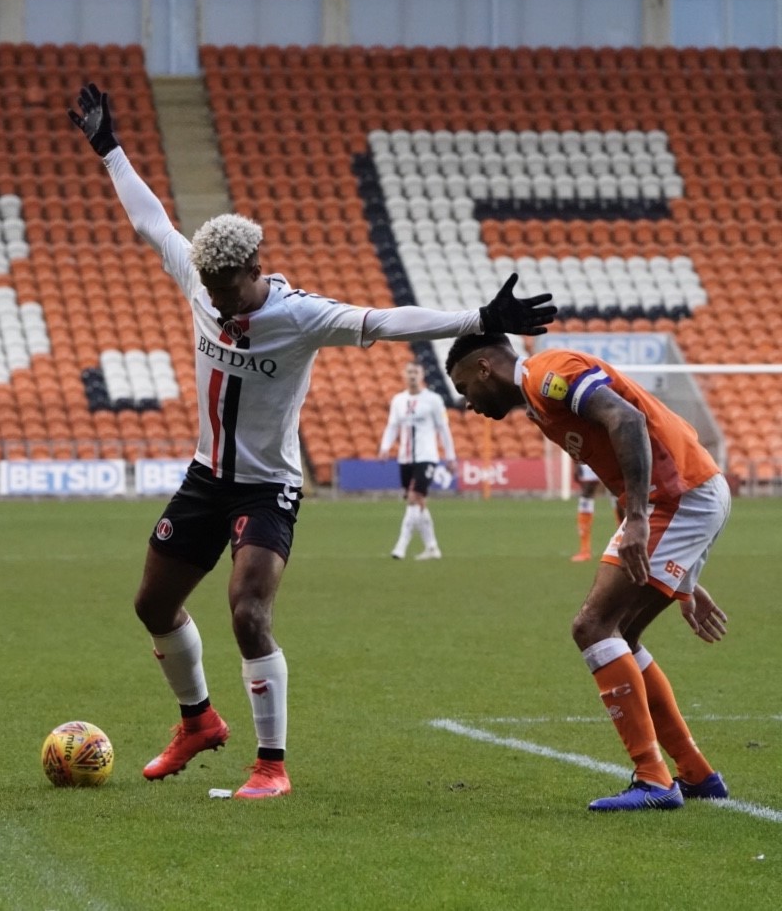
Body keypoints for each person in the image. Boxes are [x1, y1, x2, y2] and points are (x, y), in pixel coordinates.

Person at [68, 84, 556, 799]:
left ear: (253, 268)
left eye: (226, 289)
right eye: (207, 288)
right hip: (206, 476)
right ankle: (198, 720)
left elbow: (384, 321)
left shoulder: (302, 315)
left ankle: (271, 765)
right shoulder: (200, 280)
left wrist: (478, 318)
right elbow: (151, 221)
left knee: (247, 610)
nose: (215, 301)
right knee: (152, 606)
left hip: (269, 486)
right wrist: (109, 148)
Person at [445, 333, 731, 812]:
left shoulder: (549, 374)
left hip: (674, 496)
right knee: (622, 634)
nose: (467, 403)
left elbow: (628, 418)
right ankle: (696, 774)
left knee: (593, 626)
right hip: (683, 495)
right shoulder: (539, 403)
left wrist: (638, 518)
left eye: (463, 388)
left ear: (484, 368)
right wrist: (684, 578)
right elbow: (627, 454)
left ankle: (654, 780)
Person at [378, 361, 457, 560]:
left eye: (416, 372)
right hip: (405, 458)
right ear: (404, 375)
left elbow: (444, 429)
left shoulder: (433, 400)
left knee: (414, 497)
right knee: (417, 502)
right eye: (409, 372)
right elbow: (392, 426)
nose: (412, 375)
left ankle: (400, 546)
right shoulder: (398, 400)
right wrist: (385, 447)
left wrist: (450, 457)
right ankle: (432, 548)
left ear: (422, 375)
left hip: (427, 457)